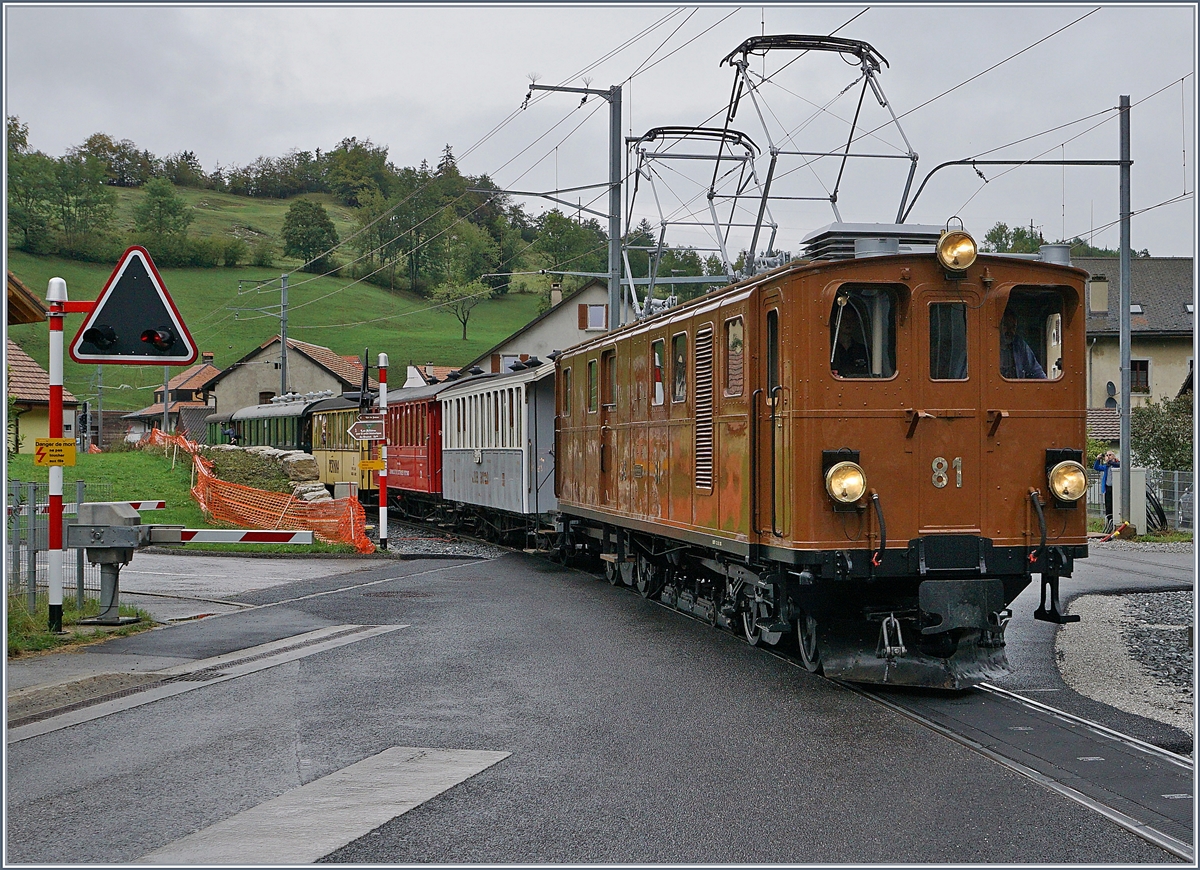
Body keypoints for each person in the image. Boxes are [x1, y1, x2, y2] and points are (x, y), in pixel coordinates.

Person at [999, 309, 1046, 379]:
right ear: (999, 326)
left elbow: (1036, 371)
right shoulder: (990, 344)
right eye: (1006, 325)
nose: (1010, 330)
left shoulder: (1019, 345)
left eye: (1013, 327)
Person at [831, 305, 870, 377]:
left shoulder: (863, 350)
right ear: (836, 321)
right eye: (844, 319)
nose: (848, 322)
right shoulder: (829, 350)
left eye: (851, 319)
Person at [1094, 450, 1120, 527]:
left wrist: (1110, 462)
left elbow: (1119, 465)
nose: (1108, 456)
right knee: (1108, 506)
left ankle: (1116, 520)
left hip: (1117, 488)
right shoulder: (1106, 467)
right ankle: (1109, 522)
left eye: (1110, 455)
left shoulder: (1117, 464)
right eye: (1107, 455)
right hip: (1108, 488)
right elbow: (1097, 467)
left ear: (1114, 456)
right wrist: (1098, 459)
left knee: (1116, 505)